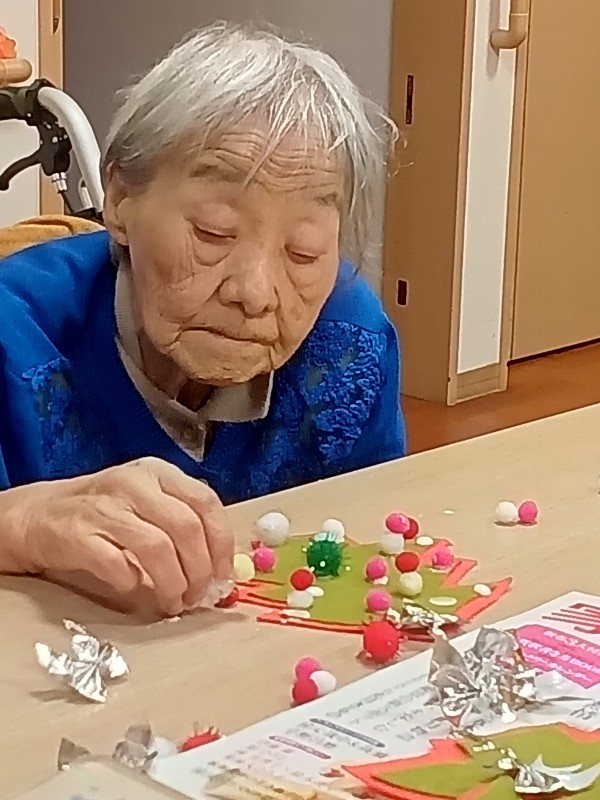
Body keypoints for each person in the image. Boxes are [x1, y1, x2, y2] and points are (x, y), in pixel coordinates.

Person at [0, 22, 405, 616]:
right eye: (214, 233)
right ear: (120, 201)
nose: (256, 294)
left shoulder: (349, 344)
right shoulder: (15, 335)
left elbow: (375, 543)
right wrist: (20, 522)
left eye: (304, 252)